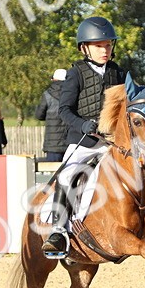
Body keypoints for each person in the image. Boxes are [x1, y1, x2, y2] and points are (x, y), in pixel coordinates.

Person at [44, 16, 129, 257]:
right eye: (99, 45)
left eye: (108, 45)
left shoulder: (118, 72)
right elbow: (64, 110)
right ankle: (58, 231)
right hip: (85, 140)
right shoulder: (76, 73)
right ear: (85, 48)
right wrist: (83, 125)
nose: (105, 50)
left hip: (112, 142)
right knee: (68, 174)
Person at [34, 68, 69, 162]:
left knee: (53, 173)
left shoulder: (47, 95)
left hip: (52, 144)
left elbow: (39, 115)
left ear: (54, 79)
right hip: (70, 143)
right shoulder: (73, 94)